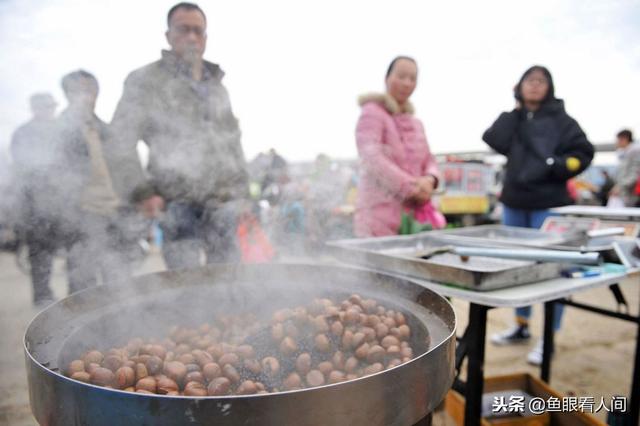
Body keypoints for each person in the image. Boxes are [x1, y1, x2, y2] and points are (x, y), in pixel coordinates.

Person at [109, 2, 249, 269]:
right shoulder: (145, 80)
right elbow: (119, 140)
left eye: (198, 31)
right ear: (168, 35)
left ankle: (230, 313)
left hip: (222, 202)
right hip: (176, 201)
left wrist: (242, 193)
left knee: (230, 279)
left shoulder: (218, 87)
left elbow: (233, 142)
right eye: (183, 30)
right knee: (184, 284)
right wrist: (142, 192)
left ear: (206, 38)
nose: (192, 38)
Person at [483, 65, 594, 365]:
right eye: (528, 81)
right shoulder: (515, 119)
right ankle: (520, 326)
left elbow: (584, 152)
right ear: (519, 86)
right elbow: (493, 139)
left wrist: (558, 166)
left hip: (549, 204)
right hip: (514, 203)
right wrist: (515, 108)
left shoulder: (562, 119)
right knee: (518, 267)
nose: (534, 86)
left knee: (553, 268)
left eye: (540, 81)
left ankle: (548, 337)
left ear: (550, 87)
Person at [53, 70, 147, 293]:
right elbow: (53, 180)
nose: (86, 96)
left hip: (114, 212)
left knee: (119, 279)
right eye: (78, 90)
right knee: (83, 282)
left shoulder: (105, 129)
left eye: (90, 90)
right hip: (82, 214)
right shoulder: (58, 131)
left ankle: (121, 323)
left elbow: (125, 168)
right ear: (67, 94)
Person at [354, 56, 444, 237]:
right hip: (378, 216)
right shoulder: (372, 112)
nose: (407, 83)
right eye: (401, 76)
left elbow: (429, 159)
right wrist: (411, 187)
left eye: (412, 78)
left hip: (413, 218)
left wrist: (430, 179)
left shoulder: (416, 123)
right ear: (387, 78)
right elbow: (372, 157)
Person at [10, 93, 60, 307]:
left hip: (58, 203)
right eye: (45, 107)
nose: (49, 111)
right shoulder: (23, 133)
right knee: (39, 252)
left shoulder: (59, 131)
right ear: (35, 108)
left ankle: (52, 294)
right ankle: (42, 295)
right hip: (33, 206)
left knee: (55, 250)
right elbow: (20, 171)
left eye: (51, 107)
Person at [609, 129, 640, 207]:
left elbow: (635, 174)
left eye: (618, 140)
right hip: (626, 193)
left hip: (631, 193)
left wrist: (620, 186)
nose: (616, 142)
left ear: (624, 138)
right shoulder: (624, 153)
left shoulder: (634, 152)